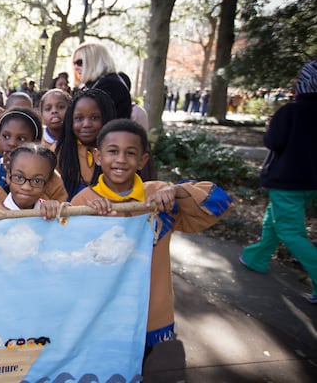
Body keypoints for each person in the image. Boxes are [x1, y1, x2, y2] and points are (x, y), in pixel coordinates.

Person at [70, 118, 233, 362]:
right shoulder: (85, 200)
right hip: (99, 311)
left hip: (145, 312)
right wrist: (90, 219)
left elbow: (218, 202)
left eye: (131, 153)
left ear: (143, 160)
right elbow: (66, 256)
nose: (121, 159)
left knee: (135, 367)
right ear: (98, 156)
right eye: (113, 151)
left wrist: (176, 190)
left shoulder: (158, 196)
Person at [240, 60, 317, 304]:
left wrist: (270, 127)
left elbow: (274, 142)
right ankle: (257, 258)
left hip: (287, 181)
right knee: (274, 221)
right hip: (309, 183)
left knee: (290, 231)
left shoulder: (291, 111)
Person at [0, 108, 66, 206]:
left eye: (21, 138)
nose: (12, 143)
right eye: (6, 136)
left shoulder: (50, 177)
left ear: (35, 142)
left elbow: (62, 212)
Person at [55, 88, 117, 200]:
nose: (86, 124)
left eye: (94, 118)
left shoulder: (118, 153)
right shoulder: (60, 152)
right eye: (79, 118)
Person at [0, 144, 62, 217]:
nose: (26, 187)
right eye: (19, 177)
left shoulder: (51, 212)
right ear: (8, 176)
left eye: (37, 181)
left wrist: (58, 209)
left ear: (48, 184)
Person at [71, 42, 132, 119]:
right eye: (74, 63)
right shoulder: (93, 84)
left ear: (94, 61)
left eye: (80, 62)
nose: (75, 67)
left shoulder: (110, 85)